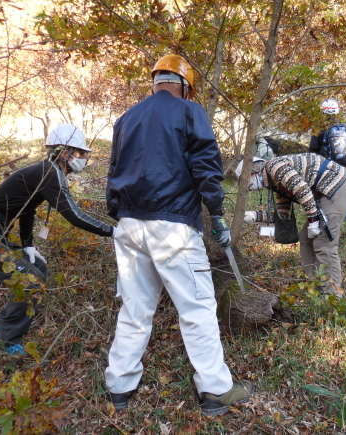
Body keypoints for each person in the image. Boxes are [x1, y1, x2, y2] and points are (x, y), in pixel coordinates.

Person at [105, 54, 255, 416]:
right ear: (185, 86)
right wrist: (215, 212)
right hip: (172, 227)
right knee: (198, 308)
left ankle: (118, 387)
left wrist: (120, 214)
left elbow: (113, 170)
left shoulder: (125, 118)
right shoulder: (190, 112)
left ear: (155, 81)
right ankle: (216, 391)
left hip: (127, 224)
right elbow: (206, 163)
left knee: (135, 308)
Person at [0, 124, 115, 355]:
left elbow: (26, 211)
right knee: (29, 282)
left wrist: (28, 244)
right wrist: (112, 232)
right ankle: (4, 341)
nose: (84, 158)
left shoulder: (45, 172)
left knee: (37, 268)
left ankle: (2, 328)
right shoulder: (49, 173)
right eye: (80, 153)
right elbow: (74, 215)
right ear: (64, 152)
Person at [238, 153, 346, 294]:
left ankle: (333, 294)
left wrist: (313, 221)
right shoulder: (275, 183)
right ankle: (314, 284)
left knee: (324, 243)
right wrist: (255, 216)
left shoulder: (275, 168)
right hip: (322, 194)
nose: (249, 186)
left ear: (254, 170)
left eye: (247, 180)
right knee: (305, 239)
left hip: (336, 188)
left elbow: (302, 190)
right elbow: (283, 214)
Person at [309, 98, 346, 221]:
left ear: (323, 113)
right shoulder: (343, 127)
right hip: (342, 164)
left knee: (323, 190)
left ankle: (324, 217)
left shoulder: (319, 129)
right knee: (343, 190)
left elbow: (313, 147)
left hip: (325, 165)